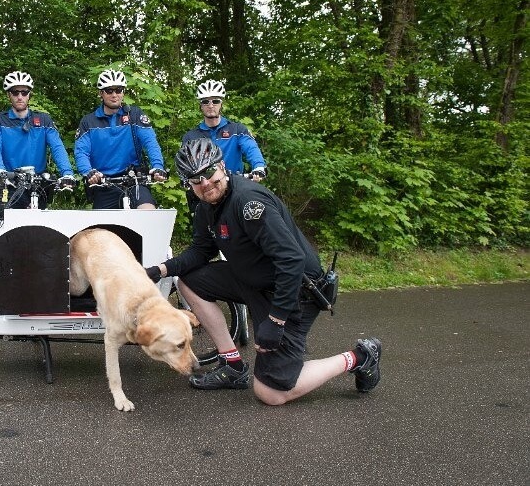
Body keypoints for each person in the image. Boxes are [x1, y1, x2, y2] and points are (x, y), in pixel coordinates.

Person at [145, 138, 382, 405]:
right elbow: (201, 251)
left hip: (294, 293)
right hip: (253, 281)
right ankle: (232, 366)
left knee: (271, 393)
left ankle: (361, 357)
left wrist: (276, 320)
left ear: (222, 166)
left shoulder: (248, 203)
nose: (205, 183)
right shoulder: (206, 207)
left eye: (209, 172)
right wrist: (159, 270)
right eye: (195, 179)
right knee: (188, 280)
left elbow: (291, 260)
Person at [0, 71, 75, 292]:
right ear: (9, 95)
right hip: (9, 186)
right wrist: (0, 170)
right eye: (15, 92)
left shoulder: (43, 120)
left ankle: (35, 293)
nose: (20, 96)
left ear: (29, 95)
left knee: (37, 243)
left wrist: (67, 172)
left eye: (24, 92)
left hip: (37, 188)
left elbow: (57, 147)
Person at [74, 69, 168, 209]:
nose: (114, 95)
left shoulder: (134, 115)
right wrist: (89, 171)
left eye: (118, 90)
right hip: (104, 184)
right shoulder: (88, 121)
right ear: (101, 93)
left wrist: (157, 166)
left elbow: (150, 142)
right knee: (102, 229)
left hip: (134, 181)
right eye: (109, 91)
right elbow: (81, 152)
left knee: (149, 214)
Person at [181, 80, 266, 218]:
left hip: (233, 185)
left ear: (221, 104)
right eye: (205, 102)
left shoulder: (237, 129)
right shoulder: (191, 136)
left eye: (215, 101)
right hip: (206, 188)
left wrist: (259, 167)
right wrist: (184, 178)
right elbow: (184, 162)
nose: (210, 105)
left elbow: (251, 148)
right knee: (203, 229)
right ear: (200, 106)